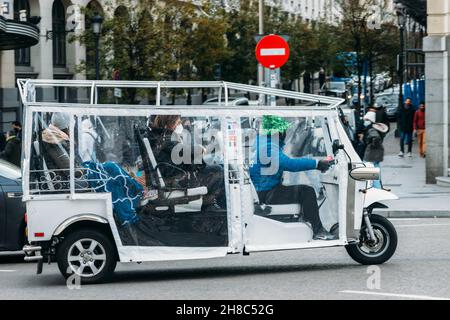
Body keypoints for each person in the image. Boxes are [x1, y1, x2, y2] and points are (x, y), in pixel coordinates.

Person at [249, 115, 336, 240]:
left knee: (300, 190)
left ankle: (307, 220)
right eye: (282, 131)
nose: (284, 133)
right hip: (267, 193)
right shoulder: (268, 147)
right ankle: (318, 230)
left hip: (264, 190)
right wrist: (317, 164)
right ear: (276, 132)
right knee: (307, 191)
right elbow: (289, 164)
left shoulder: (262, 143)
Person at [148, 115, 226, 209]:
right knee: (219, 170)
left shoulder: (158, 135)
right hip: (176, 178)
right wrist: (199, 149)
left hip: (173, 173)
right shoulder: (164, 137)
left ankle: (213, 204)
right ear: (170, 123)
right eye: (177, 122)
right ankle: (213, 205)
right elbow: (179, 150)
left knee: (221, 167)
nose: (179, 124)